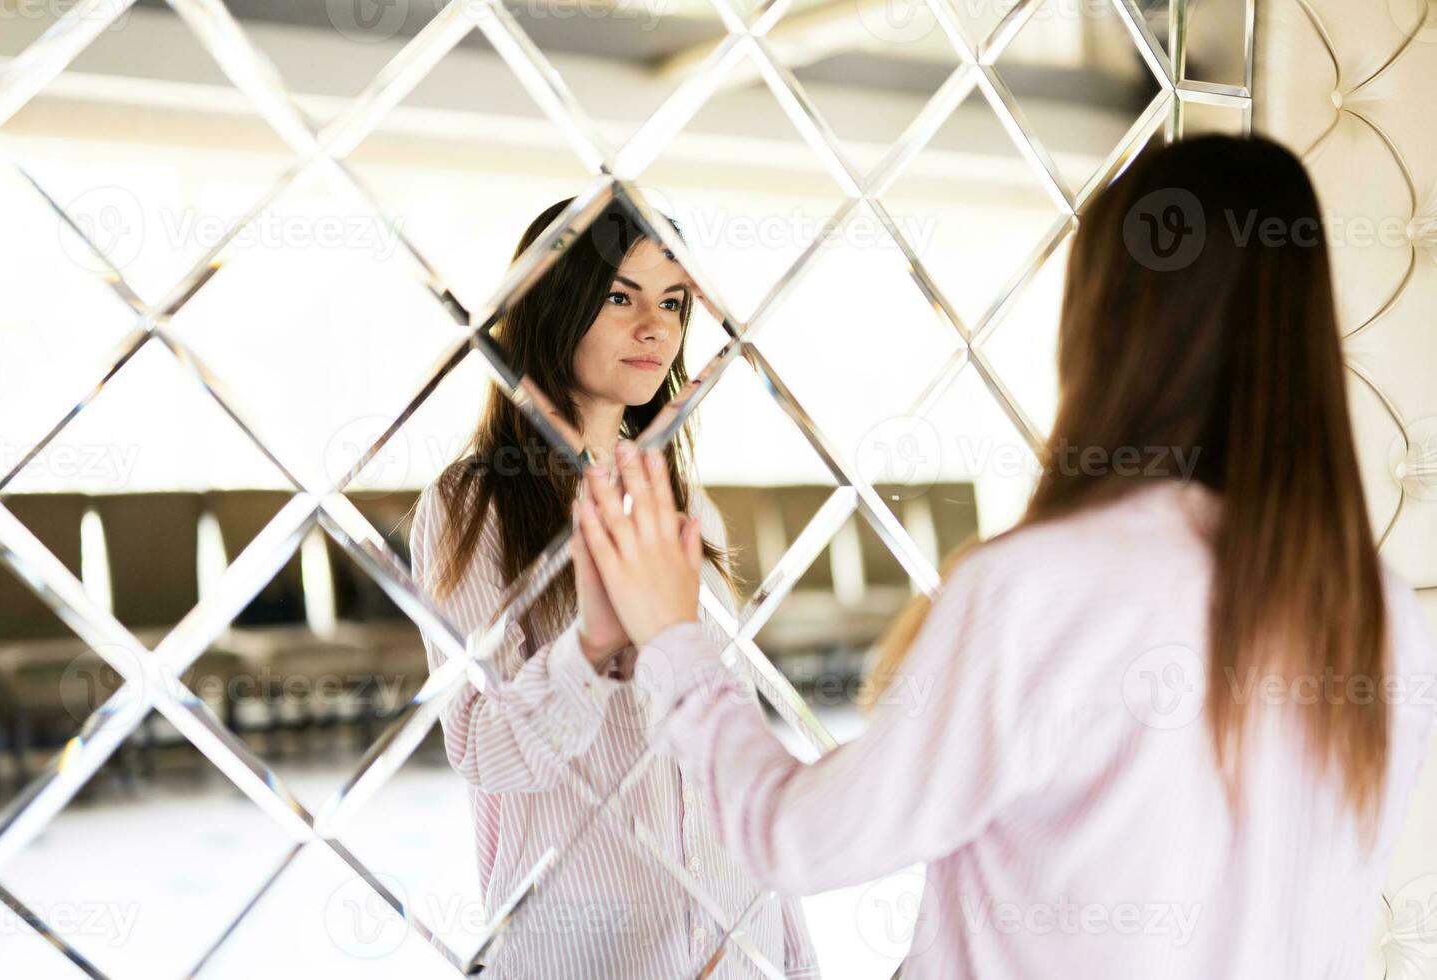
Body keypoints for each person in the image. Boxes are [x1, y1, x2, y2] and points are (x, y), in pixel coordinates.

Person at [573, 135, 1437, 977]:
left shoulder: (1048, 588)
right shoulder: (1388, 617)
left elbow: (794, 839)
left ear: (1107, 327)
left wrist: (672, 639)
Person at [408, 196, 819, 978]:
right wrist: (593, 645)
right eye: (620, 296)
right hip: (589, 951)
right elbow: (481, 749)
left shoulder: (685, 501)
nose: (656, 327)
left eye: (671, 302)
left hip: (737, 939)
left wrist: (784, 949)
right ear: (552, 305)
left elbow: (723, 736)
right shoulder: (475, 501)